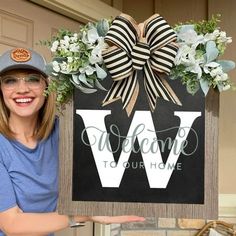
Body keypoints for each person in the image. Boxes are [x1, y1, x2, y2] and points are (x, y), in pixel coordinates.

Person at [0, 48, 145, 236]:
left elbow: (118, 142)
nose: (22, 89)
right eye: (10, 80)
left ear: (47, 85)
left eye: (33, 79)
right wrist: (82, 215)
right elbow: (12, 224)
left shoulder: (65, 132)